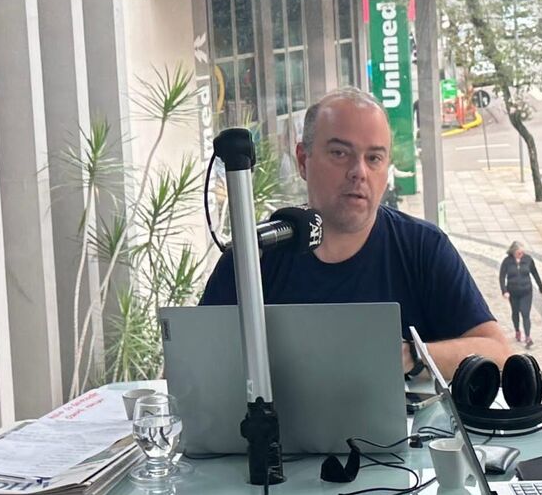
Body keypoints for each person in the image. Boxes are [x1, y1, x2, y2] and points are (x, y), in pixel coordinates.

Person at [200, 88, 508, 379]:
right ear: (303, 160)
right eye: (339, 153)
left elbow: (497, 353)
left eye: (374, 158)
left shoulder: (422, 247)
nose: (359, 171)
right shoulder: (256, 255)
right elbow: (186, 372)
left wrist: (412, 356)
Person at [498, 241, 542, 348]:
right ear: (513, 252)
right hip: (513, 292)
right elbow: (502, 276)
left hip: (526, 291)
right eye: (519, 252)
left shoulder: (528, 259)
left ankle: (528, 337)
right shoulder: (507, 261)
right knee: (515, 312)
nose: (521, 254)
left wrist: (540, 286)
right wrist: (504, 291)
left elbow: (534, 273)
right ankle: (517, 330)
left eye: (522, 252)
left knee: (525, 313)